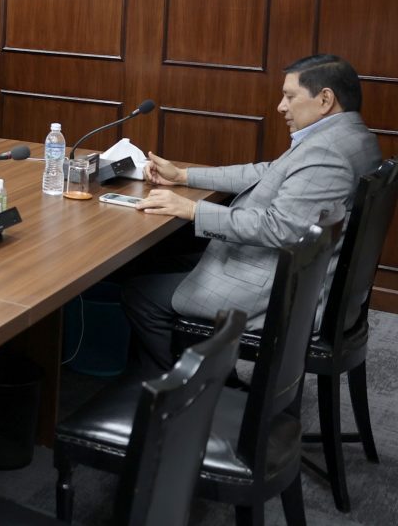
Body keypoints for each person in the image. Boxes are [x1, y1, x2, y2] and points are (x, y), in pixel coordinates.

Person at [121, 54, 381, 373]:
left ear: (325, 99)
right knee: (158, 259)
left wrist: (192, 209)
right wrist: (184, 176)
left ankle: (180, 394)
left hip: (280, 290)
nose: (281, 107)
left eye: (289, 96)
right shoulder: (352, 137)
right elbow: (267, 172)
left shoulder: (328, 153)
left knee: (141, 294)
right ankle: (208, 375)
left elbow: (280, 228)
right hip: (295, 271)